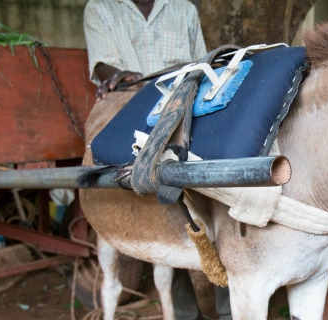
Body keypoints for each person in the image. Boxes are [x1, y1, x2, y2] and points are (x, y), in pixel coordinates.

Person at [84, 1, 231, 320]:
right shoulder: (102, 8)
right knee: (164, 203)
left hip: (188, 109)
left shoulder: (183, 9)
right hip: (131, 107)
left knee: (220, 195)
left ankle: (230, 310)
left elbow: (204, 65)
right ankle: (183, 314)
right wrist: (120, 77)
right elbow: (101, 67)